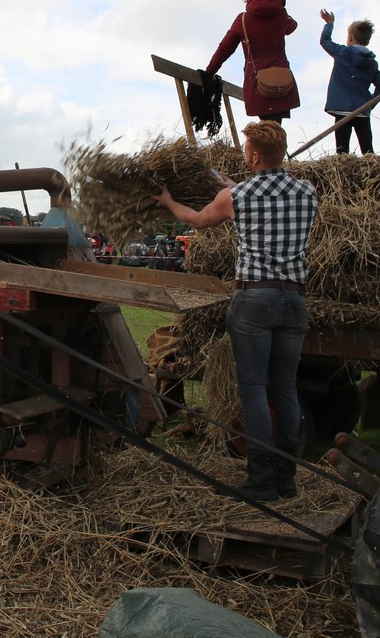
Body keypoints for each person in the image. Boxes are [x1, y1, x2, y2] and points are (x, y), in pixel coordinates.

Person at [154, 120, 315, 502]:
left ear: (254, 156)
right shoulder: (307, 190)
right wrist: (236, 186)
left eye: (247, 152)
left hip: (255, 299)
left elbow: (196, 220)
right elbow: (272, 198)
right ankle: (286, 478)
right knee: (285, 388)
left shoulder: (236, 196)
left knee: (253, 389)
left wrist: (168, 201)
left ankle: (260, 479)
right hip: (294, 300)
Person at [205, 0, 299, 123]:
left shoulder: (243, 19)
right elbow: (292, 27)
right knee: (276, 127)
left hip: (257, 81)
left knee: (265, 127)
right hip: (282, 80)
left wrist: (209, 72)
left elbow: (224, 49)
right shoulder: (282, 15)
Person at [319, 9, 380, 155]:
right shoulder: (372, 62)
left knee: (342, 153)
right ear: (367, 40)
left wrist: (329, 23)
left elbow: (325, 41)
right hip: (362, 111)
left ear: (350, 38)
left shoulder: (342, 52)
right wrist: (369, 104)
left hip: (341, 110)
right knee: (368, 152)